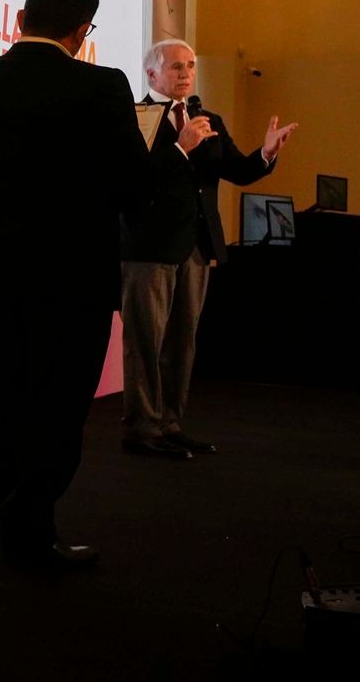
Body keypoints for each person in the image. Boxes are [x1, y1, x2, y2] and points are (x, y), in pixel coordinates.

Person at [0, 0, 203, 569]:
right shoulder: (103, 87)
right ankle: (34, 525)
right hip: (73, 273)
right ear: (83, 32)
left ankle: (17, 521)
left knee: (9, 393)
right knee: (60, 402)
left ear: (19, 18)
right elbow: (135, 189)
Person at [115, 39, 293, 459]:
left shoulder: (205, 118)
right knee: (145, 339)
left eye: (190, 65)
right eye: (176, 66)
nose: (185, 73)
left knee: (183, 340)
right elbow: (131, 181)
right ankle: (141, 427)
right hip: (149, 246)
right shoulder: (135, 118)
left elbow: (236, 170)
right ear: (152, 74)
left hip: (196, 246)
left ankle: (169, 422)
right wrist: (180, 148)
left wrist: (265, 154)